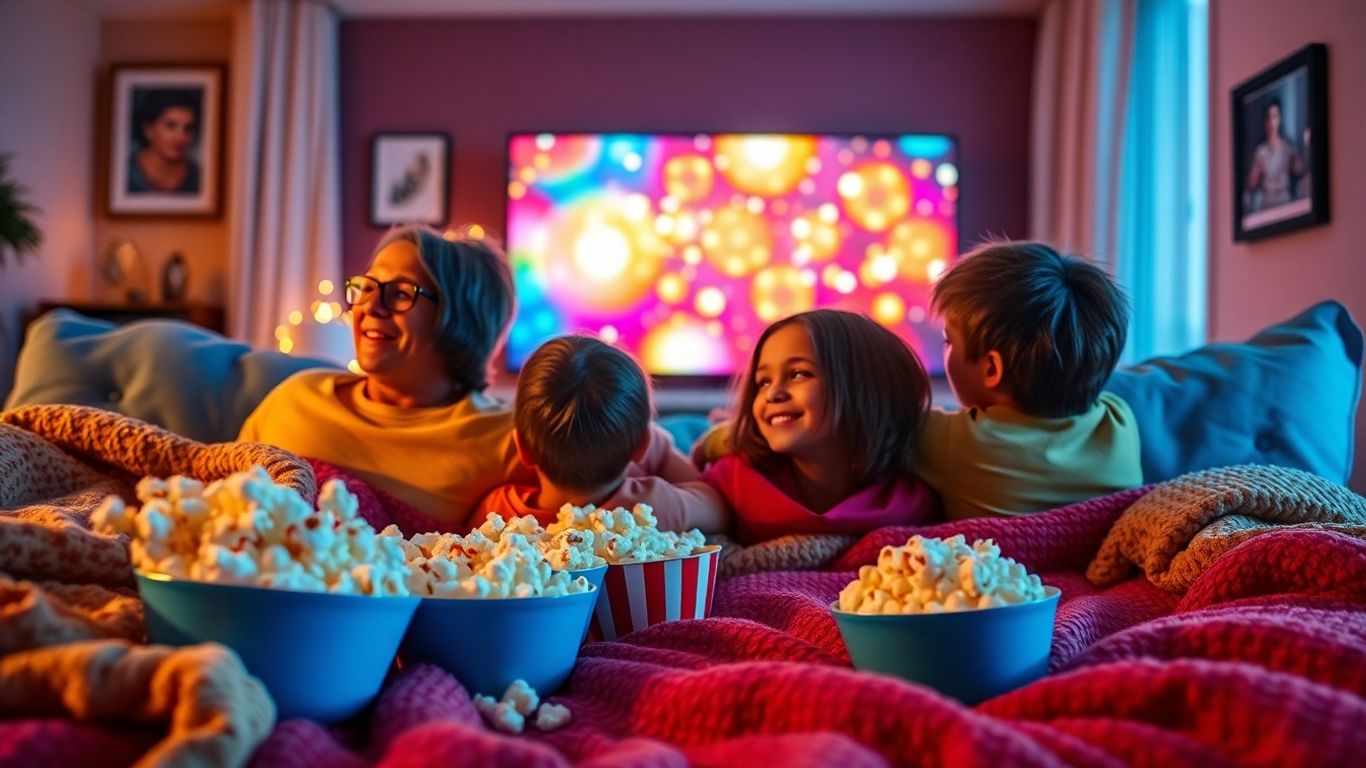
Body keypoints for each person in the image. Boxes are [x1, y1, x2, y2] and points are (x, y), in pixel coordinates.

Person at [239, 225, 535, 527]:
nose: (370, 306)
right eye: (367, 287)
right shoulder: (295, 398)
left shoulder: (509, 439)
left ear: (461, 318)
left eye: (401, 293)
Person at [917, 241, 1141, 520]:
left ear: (991, 369)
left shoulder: (948, 439)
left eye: (948, 341)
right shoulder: (1119, 421)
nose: (946, 349)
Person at [700, 309, 939, 544]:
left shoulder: (914, 506)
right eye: (763, 381)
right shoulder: (732, 482)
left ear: (866, 389)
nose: (773, 393)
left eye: (798, 374)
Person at [480, 335, 729, 533]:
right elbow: (716, 504)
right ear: (644, 445)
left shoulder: (499, 516)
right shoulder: (653, 507)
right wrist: (660, 450)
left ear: (522, 447)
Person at [128, 89, 201, 194]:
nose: (180, 137)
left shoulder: (199, 177)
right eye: (170, 126)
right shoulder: (125, 174)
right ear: (148, 129)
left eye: (188, 128)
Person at [1245, 97, 1304, 211]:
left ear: (1280, 119)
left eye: (1275, 117)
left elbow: (1299, 170)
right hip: (1266, 203)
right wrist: (1257, 171)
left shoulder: (1287, 146)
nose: (1271, 122)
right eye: (1268, 118)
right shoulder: (1260, 151)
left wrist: (1296, 160)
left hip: (1284, 200)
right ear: (1264, 122)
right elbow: (1252, 184)